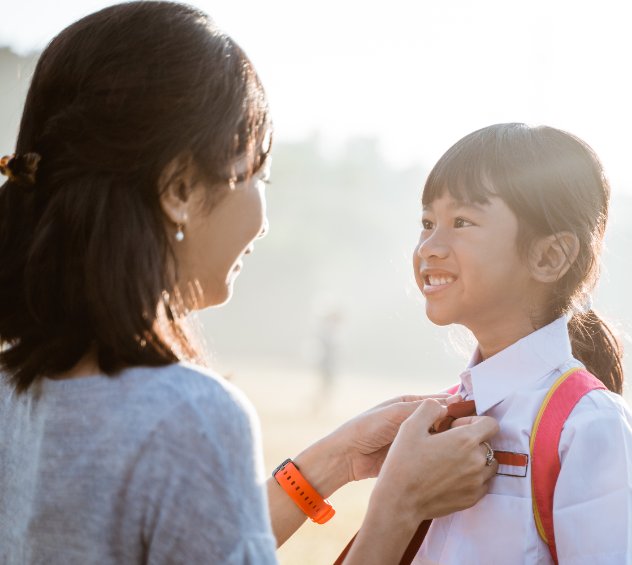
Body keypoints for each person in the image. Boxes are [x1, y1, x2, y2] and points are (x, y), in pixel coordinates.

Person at [0, 3, 499, 564]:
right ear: (180, 189)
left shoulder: (13, 384)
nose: (263, 218)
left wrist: (333, 460)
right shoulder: (185, 415)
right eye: (256, 174)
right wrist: (399, 505)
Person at [410, 123, 632, 563]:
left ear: (549, 256)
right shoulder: (449, 411)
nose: (429, 247)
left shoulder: (588, 424)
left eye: (461, 221)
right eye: (426, 222)